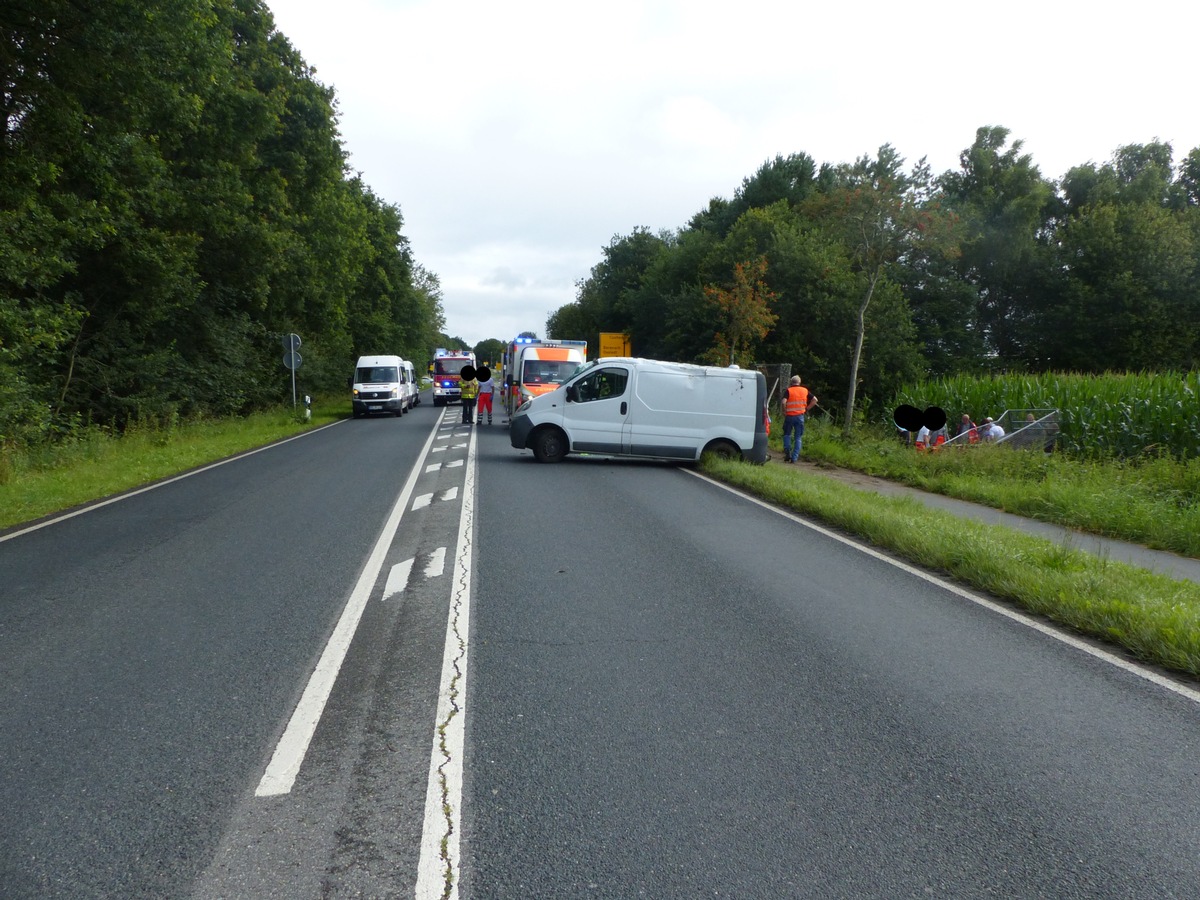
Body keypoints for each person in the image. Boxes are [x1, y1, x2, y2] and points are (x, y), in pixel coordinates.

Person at [781, 375, 817, 463]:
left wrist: (784, 411)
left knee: (787, 434)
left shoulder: (789, 390)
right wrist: (806, 409)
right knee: (798, 437)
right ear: (799, 382)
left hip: (789, 416)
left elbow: (783, 402)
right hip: (800, 417)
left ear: (791, 382)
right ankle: (794, 458)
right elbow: (815, 400)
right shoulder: (804, 390)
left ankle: (787, 452)